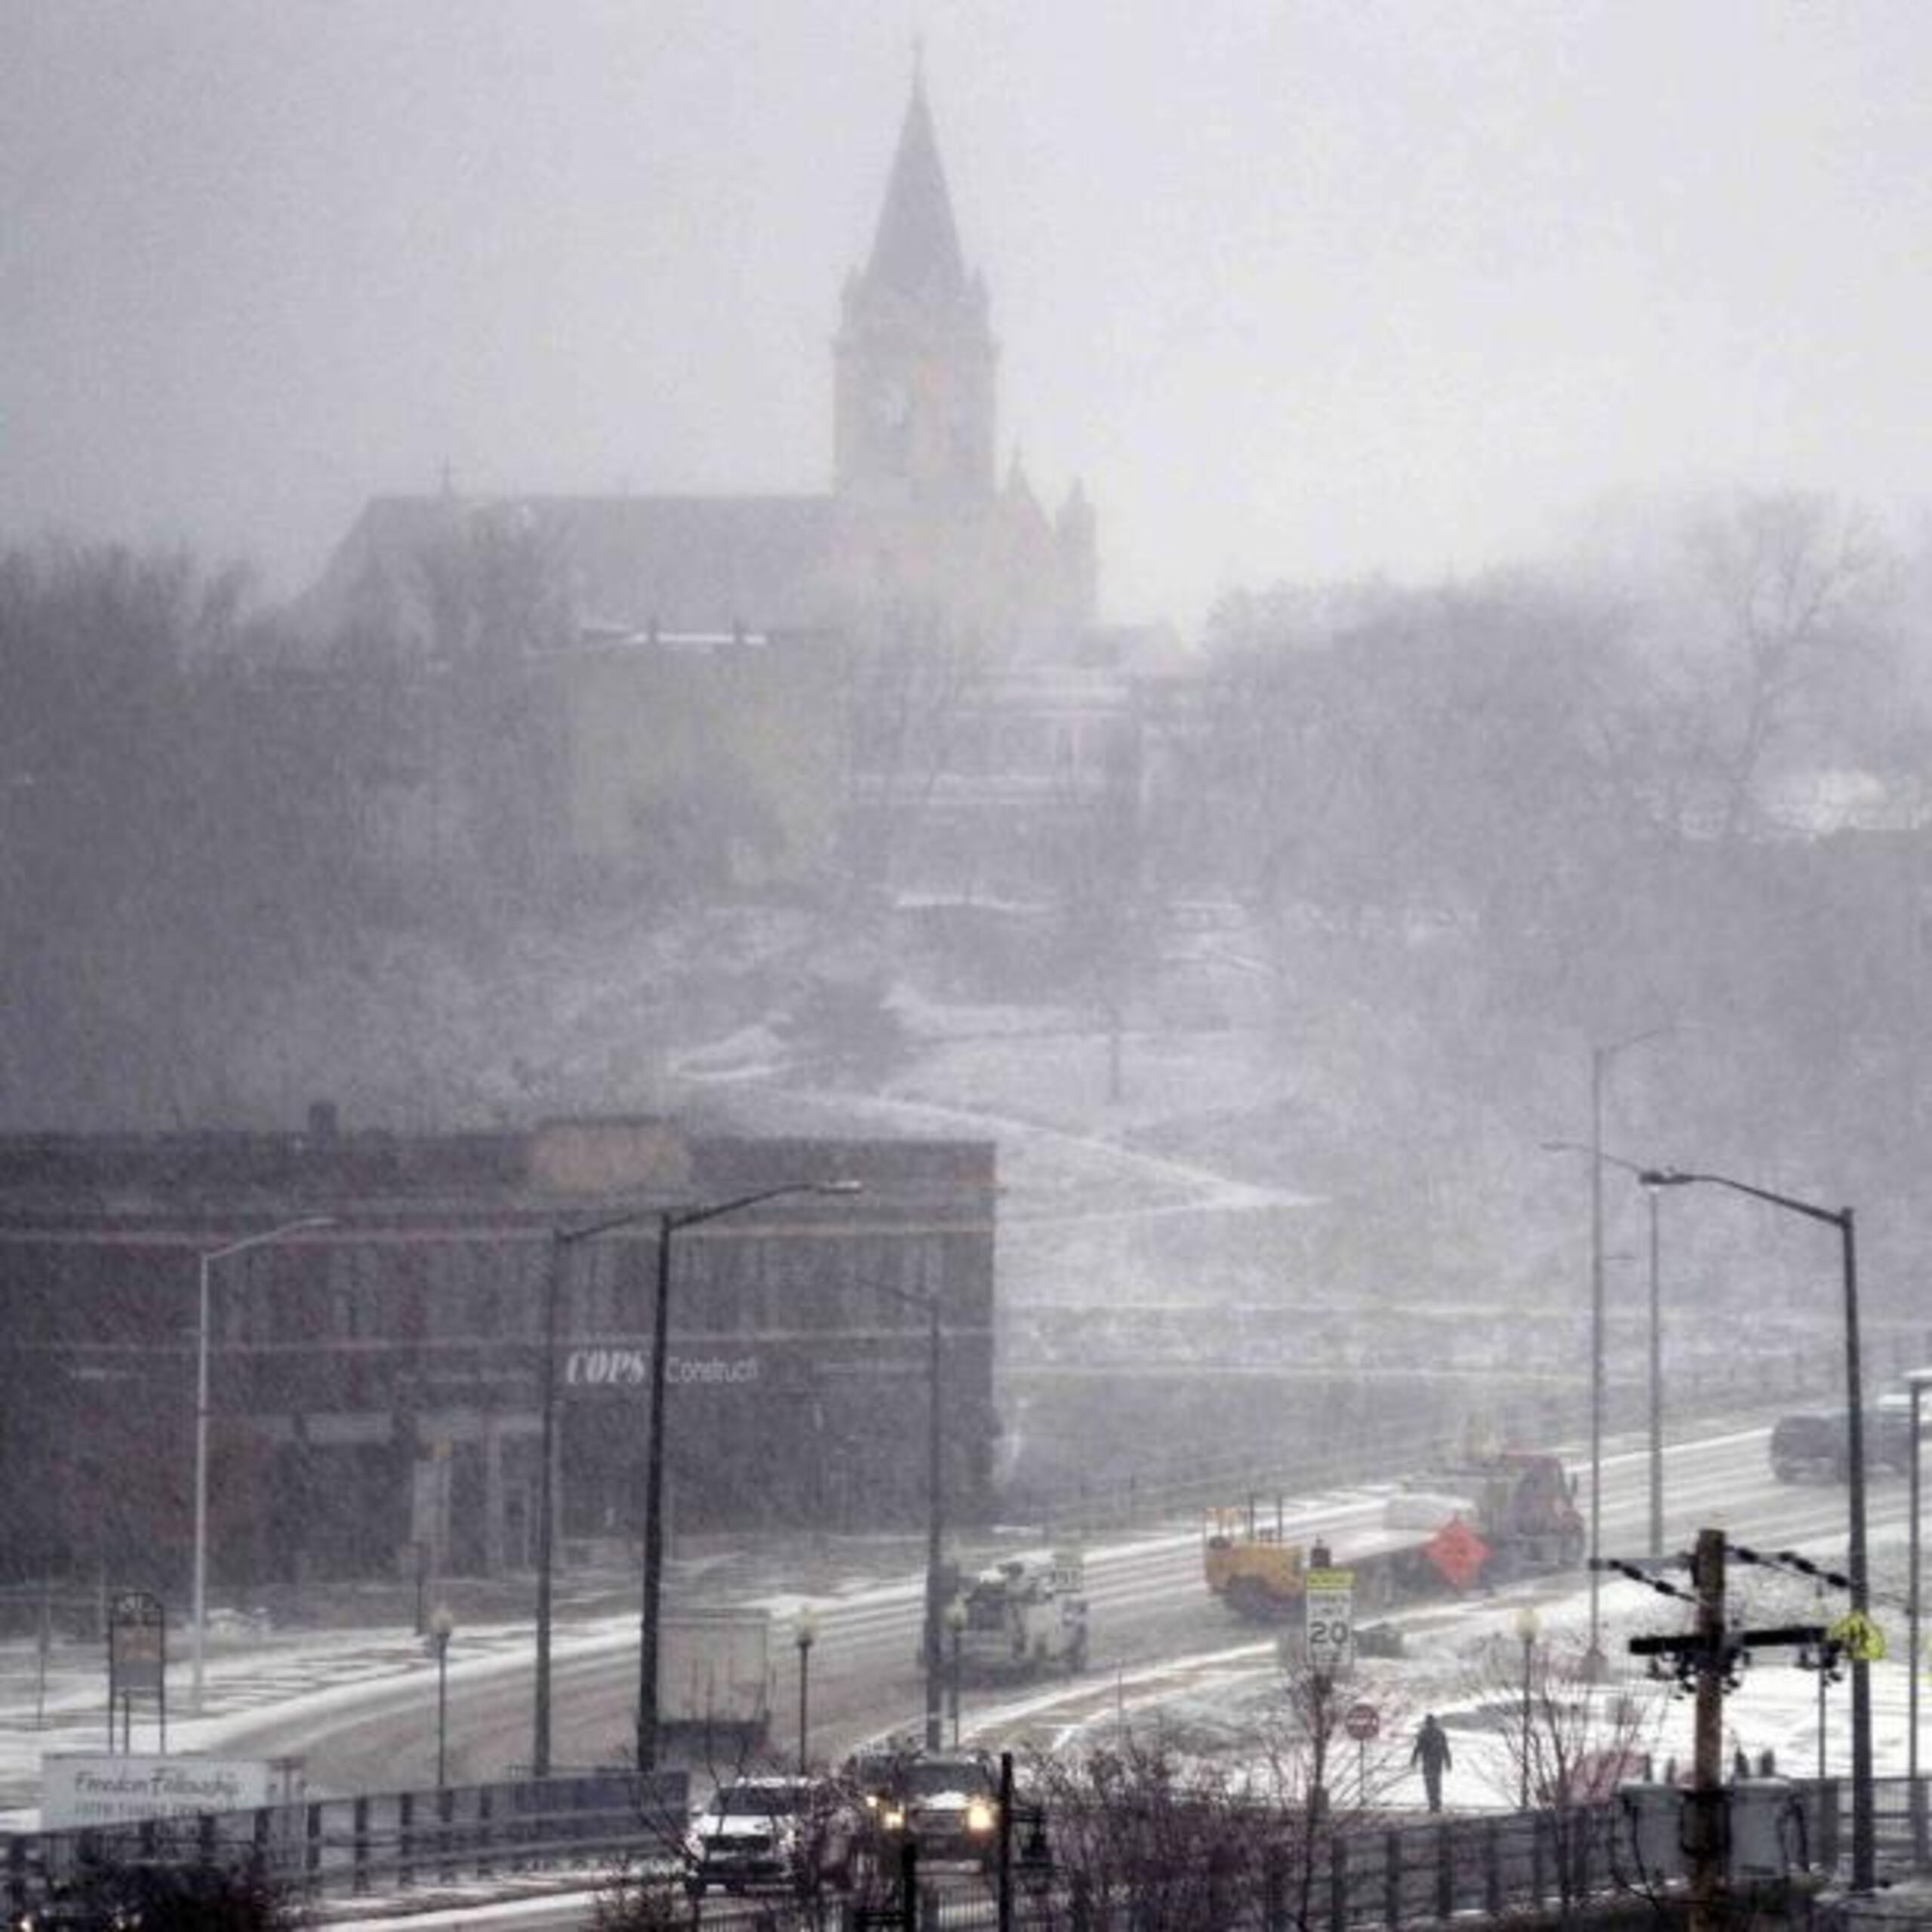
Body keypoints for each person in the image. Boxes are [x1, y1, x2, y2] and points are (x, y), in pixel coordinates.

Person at [1413, 1713, 1452, 1813]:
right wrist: (1448, 1762)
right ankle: (1436, 1805)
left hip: (1428, 1762)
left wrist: (1414, 1759)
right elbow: (1445, 1749)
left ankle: (1433, 1805)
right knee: (1436, 1783)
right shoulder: (1440, 1733)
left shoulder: (1423, 1733)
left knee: (1430, 1784)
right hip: (1437, 1762)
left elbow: (1418, 1748)